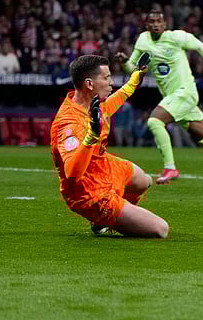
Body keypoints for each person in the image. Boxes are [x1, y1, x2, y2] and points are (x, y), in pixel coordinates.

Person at [115, 10, 203, 183]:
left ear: (165, 24)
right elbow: (133, 69)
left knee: (154, 121)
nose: (156, 24)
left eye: (159, 21)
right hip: (174, 97)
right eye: (152, 22)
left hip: (185, 92)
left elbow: (200, 46)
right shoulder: (143, 41)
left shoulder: (176, 37)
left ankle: (170, 168)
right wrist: (124, 62)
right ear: (147, 25)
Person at [50, 53, 168, 238]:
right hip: (88, 191)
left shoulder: (94, 104)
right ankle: (106, 216)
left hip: (103, 166)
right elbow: (72, 174)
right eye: (106, 78)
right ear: (89, 84)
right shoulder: (69, 123)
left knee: (144, 181)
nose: (111, 82)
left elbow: (120, 96)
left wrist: (136, 78)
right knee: (160, 229)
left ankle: (113, 216)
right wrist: (91, 136)